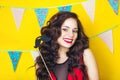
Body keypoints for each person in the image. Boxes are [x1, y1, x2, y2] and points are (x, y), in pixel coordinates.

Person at [34, 11, 99, 80]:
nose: (71, 34)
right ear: (54, 31)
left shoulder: (85, 54)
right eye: (65, 29)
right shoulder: (42, 61)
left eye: (74, 31)